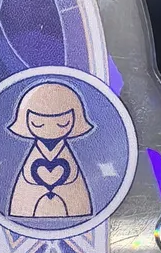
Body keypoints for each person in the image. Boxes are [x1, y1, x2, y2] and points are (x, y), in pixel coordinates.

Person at [5, 81, 95, 221]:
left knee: (74, 204)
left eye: (62, 123)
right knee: (26, 204)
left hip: (69, 191)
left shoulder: (65, 152)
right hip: (31, 193)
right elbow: (28, 176)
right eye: (38, 124)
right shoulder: (35, 153)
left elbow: (72, 175)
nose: (51, 128)